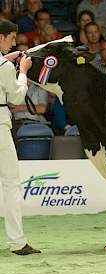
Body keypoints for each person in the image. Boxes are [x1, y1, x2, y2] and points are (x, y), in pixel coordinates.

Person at [0, 19, 40, 255]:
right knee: (11, 183)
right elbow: (16, 97)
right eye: (11, 37)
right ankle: (17, 242)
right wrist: (22, 72)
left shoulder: (4, 63)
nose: (14, 41)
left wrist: (8, 60)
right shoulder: (4, 67)